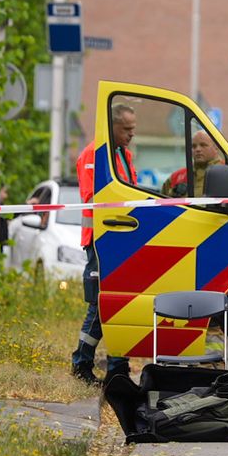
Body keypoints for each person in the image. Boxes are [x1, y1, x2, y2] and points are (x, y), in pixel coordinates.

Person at [71, 104, 137, 385]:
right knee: (100, 304)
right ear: (111, 127)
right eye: (127, 129)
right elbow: (94, 198)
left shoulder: (123, 154)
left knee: (119, 302)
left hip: (120, 240)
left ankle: (117, 366)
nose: (132, 134)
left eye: (133, 128)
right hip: (100, 241)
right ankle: (83, 363)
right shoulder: (93, 156)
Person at [162, 131, 223, 197]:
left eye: (203, 145)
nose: (198, 149)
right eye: (193, 146)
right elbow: (160, 202)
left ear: (216, 148)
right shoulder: (176, 177)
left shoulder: (227, 173)